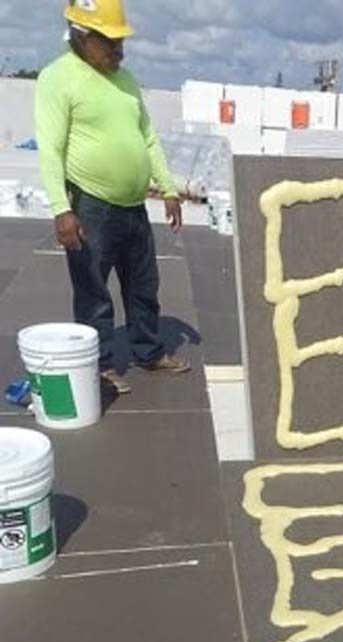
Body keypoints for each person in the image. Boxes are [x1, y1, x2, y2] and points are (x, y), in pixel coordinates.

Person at [35, 0, 190, 396]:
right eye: (111, 43)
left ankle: (148, 351)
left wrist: (168, 188)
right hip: (91, 207)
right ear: (83, 37)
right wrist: (61, 210)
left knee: (143, 286)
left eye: (122, 42)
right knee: (94, 293)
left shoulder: (126, 80)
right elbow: (50, 148)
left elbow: (148, 137)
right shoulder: (58, 78)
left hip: (134, 207)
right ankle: (99, 366)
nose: (120, 52)